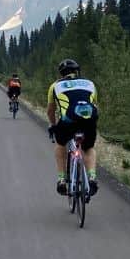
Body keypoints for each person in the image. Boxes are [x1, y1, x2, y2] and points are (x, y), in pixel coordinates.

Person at [46, 59, 99, 196]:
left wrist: (53, 125)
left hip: (68, 121)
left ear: (61, 73)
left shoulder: (55, 86)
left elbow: (51, 111)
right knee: (88, 148)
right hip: (89, 120)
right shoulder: (90, 84)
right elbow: (95, 104)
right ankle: (92, 177)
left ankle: (62, 180)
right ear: (76, 71)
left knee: (60, 144)